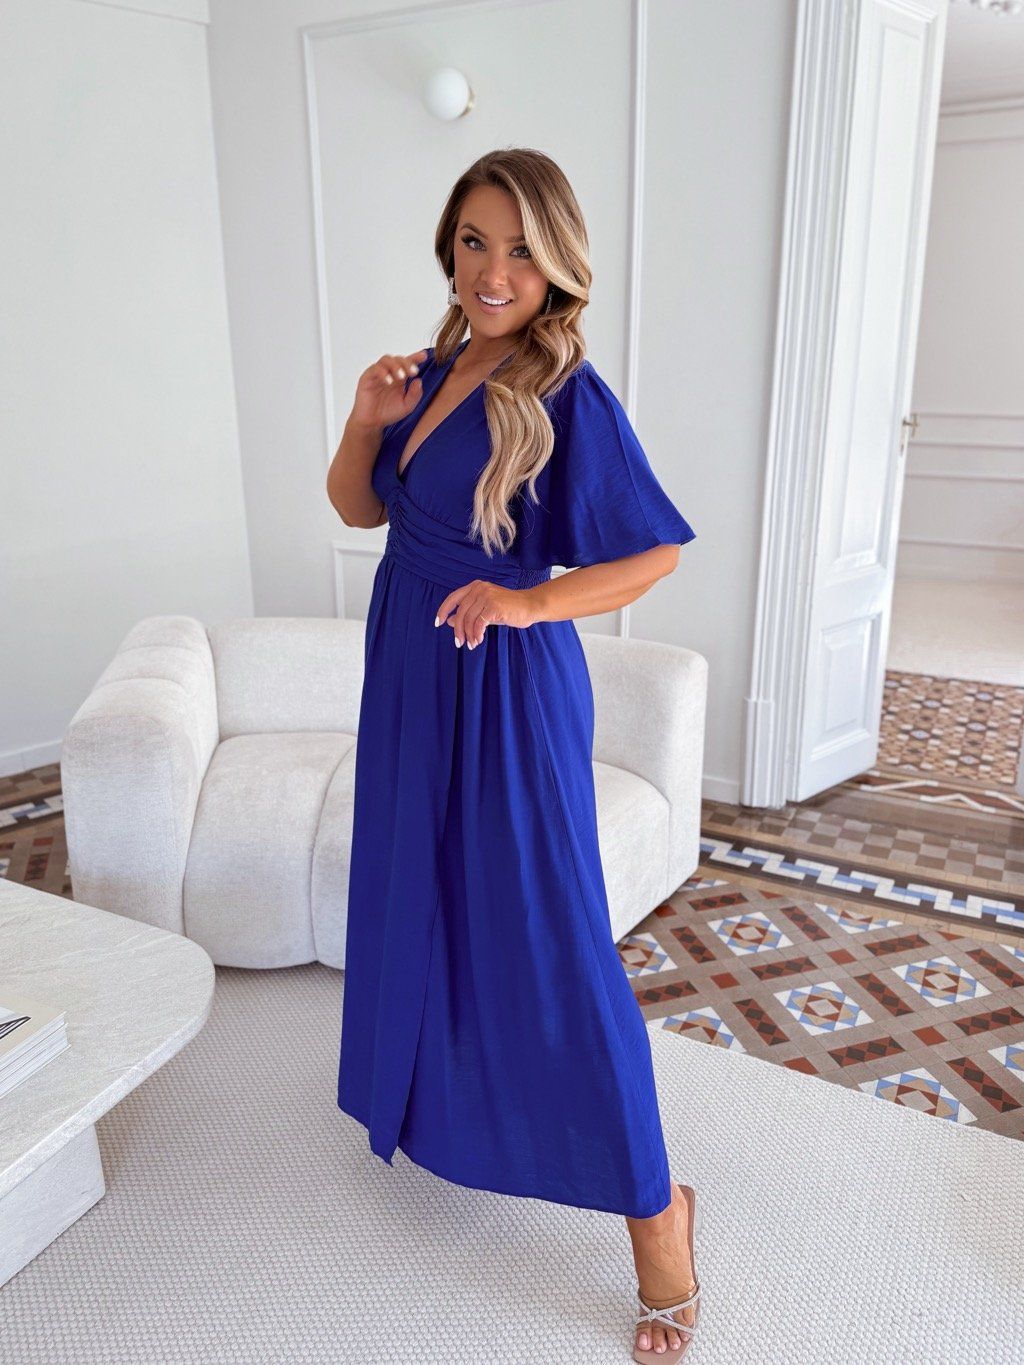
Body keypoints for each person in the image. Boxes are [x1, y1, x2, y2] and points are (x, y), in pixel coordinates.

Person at [326, 147, 700, 1362]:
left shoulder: (567, 395)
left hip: (504, 686)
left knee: (546, 938)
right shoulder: (428, 373)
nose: (494, 272)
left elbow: (653, 553)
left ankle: (656, 1216)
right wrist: (364, 420)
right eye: (476, 242)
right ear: (450, 247)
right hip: (410, 664)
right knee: (422, 893)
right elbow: (358, 510)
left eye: (523, 251)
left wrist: (529, 601)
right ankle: (442, 1114)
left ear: (559, 266)